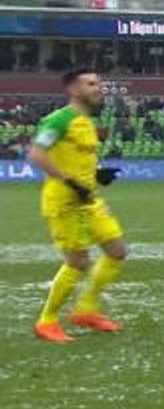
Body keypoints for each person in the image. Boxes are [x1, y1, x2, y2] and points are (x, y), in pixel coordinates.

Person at [26, 69, 128, 342]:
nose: (99, 88)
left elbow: (75, 160)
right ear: (73, 89)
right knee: (78, 260)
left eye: (99, 83)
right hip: (65, 200)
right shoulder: (60, 119)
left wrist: (97, 175)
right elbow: (36, 154)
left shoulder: (86, 122)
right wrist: (72, 183)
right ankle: (46, 321)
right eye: (91, 84)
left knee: (116, 251)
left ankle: (86, 310)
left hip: (88, 198)